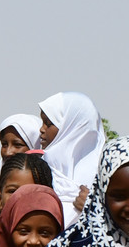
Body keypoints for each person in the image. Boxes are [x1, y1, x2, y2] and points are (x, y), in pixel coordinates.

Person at [36, 91, 104, 225]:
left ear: (72, 127)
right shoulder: (37, 170)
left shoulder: (104, 177)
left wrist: (95, 209)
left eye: (48, 123)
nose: (41, 129)